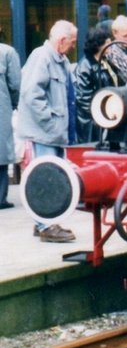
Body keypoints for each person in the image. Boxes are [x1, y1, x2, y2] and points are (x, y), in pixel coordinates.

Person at [17, 20, 78, 243]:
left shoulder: (59, 60)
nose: (73, 46)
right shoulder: (42, 57)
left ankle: (43, 221)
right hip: (45, 133)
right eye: (72, 42)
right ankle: (45, 225)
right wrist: (50, 121)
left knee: (50, 177)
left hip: (53, 133)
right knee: (45, 179)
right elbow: (31, 94)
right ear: (61, 40)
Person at [75, 26, 122, 143]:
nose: (110, 44)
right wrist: (101, 116)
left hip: (107, 115)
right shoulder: (85, 66)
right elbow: (83, 98)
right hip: (93, 122)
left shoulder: (106, 61)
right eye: (107, 42)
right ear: (98, 45)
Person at [0, 28, 19, 210]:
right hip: (2, 109)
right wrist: (14, 104)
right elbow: (15, 84)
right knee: (2, 153)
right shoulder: (7, 52)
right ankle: (0, 197)